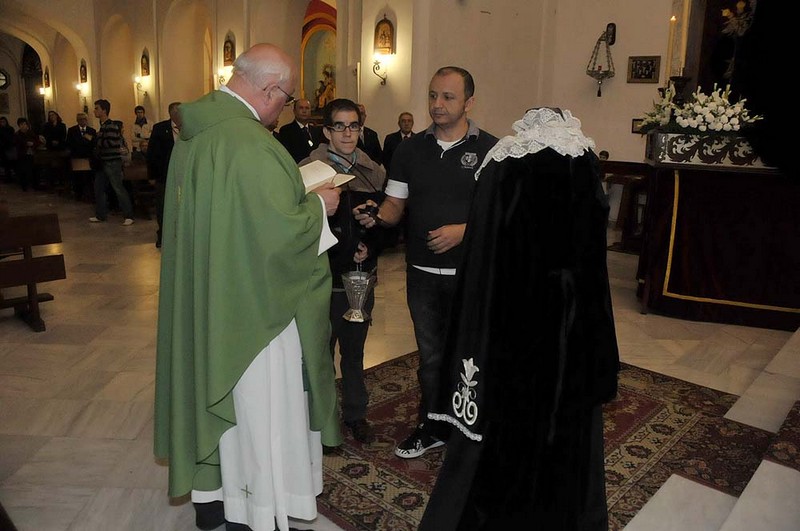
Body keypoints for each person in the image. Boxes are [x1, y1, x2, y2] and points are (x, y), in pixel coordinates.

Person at [154, 43, 342, 531]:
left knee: (214, 391)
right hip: (252, 310)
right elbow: (278, 233)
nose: (284, 108)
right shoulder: (249, 143)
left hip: (212, 292)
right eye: (286, 97)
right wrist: (321, 207)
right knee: (258, 405)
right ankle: (253, 507)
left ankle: (212, 498)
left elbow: (235, 216)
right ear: (268, 89)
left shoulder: (196, 132)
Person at [418, 107, 620, 530]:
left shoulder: (503, 160)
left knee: (507, 415)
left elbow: (481, 251)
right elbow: (592, 258)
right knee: (562, 418)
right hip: (567, 313)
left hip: (510, 310)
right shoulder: (581, 159)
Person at [354, 66, 498, 459]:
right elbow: (395, 204)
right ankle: (432, 426)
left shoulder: (492, 151)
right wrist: (377, 216)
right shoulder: (409, 149)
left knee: (470, 355)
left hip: (471, 274)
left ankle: (472, 428)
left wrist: (463, 231)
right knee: (431, 356)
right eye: (433, 95)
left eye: (448, 97)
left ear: (469, 101)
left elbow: (503, 214)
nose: (437, 104)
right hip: (422, 275)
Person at [299, 98, 387, 444]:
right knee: (320, 354)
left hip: (360, 276)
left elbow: (391, 223)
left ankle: (355, 414)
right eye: (340, 126)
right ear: (327, 131)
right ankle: (320, 421)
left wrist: (373, 241)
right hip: (322, 277)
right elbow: (299, 225)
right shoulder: (309, 170)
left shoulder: (373, 170)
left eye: (353, 126)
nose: (347, 133)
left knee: (354, 350)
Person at [90, 99, 135, 225]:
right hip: (103, 162)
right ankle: (101, 214)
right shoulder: (103, 126)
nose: (94, 111)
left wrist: (98, 140)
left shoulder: (111, 125)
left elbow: (112, 143)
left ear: (104, 110)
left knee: (118, 188)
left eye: (97, 108)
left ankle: (128, 215)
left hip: (112, 162)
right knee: (98, 188)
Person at [146, 101, 181, 248]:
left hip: (182, 175)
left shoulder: (188, 128)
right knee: (163, 206)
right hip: (164, 174)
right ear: (171, 113)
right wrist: (152, 176)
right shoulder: (160, 129)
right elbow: (152, 154)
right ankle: (162, 235)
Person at [278, 98, 321, 162]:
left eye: (307, 108)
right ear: (294, 111)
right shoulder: (286, 130)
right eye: (301, 108)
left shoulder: (317, 131)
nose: (304, 111)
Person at [65, 112, 97, 200]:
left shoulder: (92, 131)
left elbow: (94, 143)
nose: (83, 121)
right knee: (77, 177)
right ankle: (78, 194)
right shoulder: (72, 130)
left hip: (88, 157)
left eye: (84, 119)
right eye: (81, 119)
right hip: (77, 156)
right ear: (77, 120)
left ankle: (89, 195)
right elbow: (69, 143)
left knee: (89, 177)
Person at [14, 117, 40, 191]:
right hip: (23, 154)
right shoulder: (17, 134)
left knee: (34, 169)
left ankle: (35, 185)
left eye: (25, 124)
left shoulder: (31, 132)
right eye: (21, 124)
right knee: (23, 171)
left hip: (32, 153)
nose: (23, 126)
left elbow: (37, 141)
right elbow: (17, 144)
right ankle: (24, 186)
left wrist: (33, 143)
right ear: (19, 125)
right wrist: (26, 143)